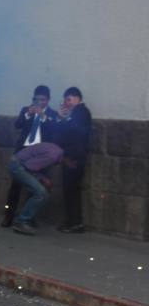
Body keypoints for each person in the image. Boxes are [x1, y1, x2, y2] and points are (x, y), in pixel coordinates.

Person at [1, 85, 59, 227]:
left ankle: (29, 217)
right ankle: (8, 216)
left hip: (40, 156)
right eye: (37, 99)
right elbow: (17, 125)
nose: (39, 102)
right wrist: (28, 114)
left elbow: (54, 132)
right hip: (23, 152)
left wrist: (43, 116)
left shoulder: (52, 114)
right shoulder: (25, 110)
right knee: (15, 186)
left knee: (36, 188)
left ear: (48, 100)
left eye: (43, 100)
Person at [55, 87, 92, 233]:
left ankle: (75, 223)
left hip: (74, 157)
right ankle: (73, 221)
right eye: (65, 100)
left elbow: (74, 132)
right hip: (71, 155)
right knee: (70, 190)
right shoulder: (77, 113)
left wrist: (63, 118)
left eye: (68, 99)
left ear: (77, 98)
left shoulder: (81, 112)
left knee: (71, 190)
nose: (66, 103)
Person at [8, 142, 63, 235]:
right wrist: (43, 179)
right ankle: (21, 221)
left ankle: (24, 219)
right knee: (41, 193)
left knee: (41, 193)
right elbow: (29, 167)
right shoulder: (52, 156)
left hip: (18, 162)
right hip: (18, 166)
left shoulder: (56, 151)